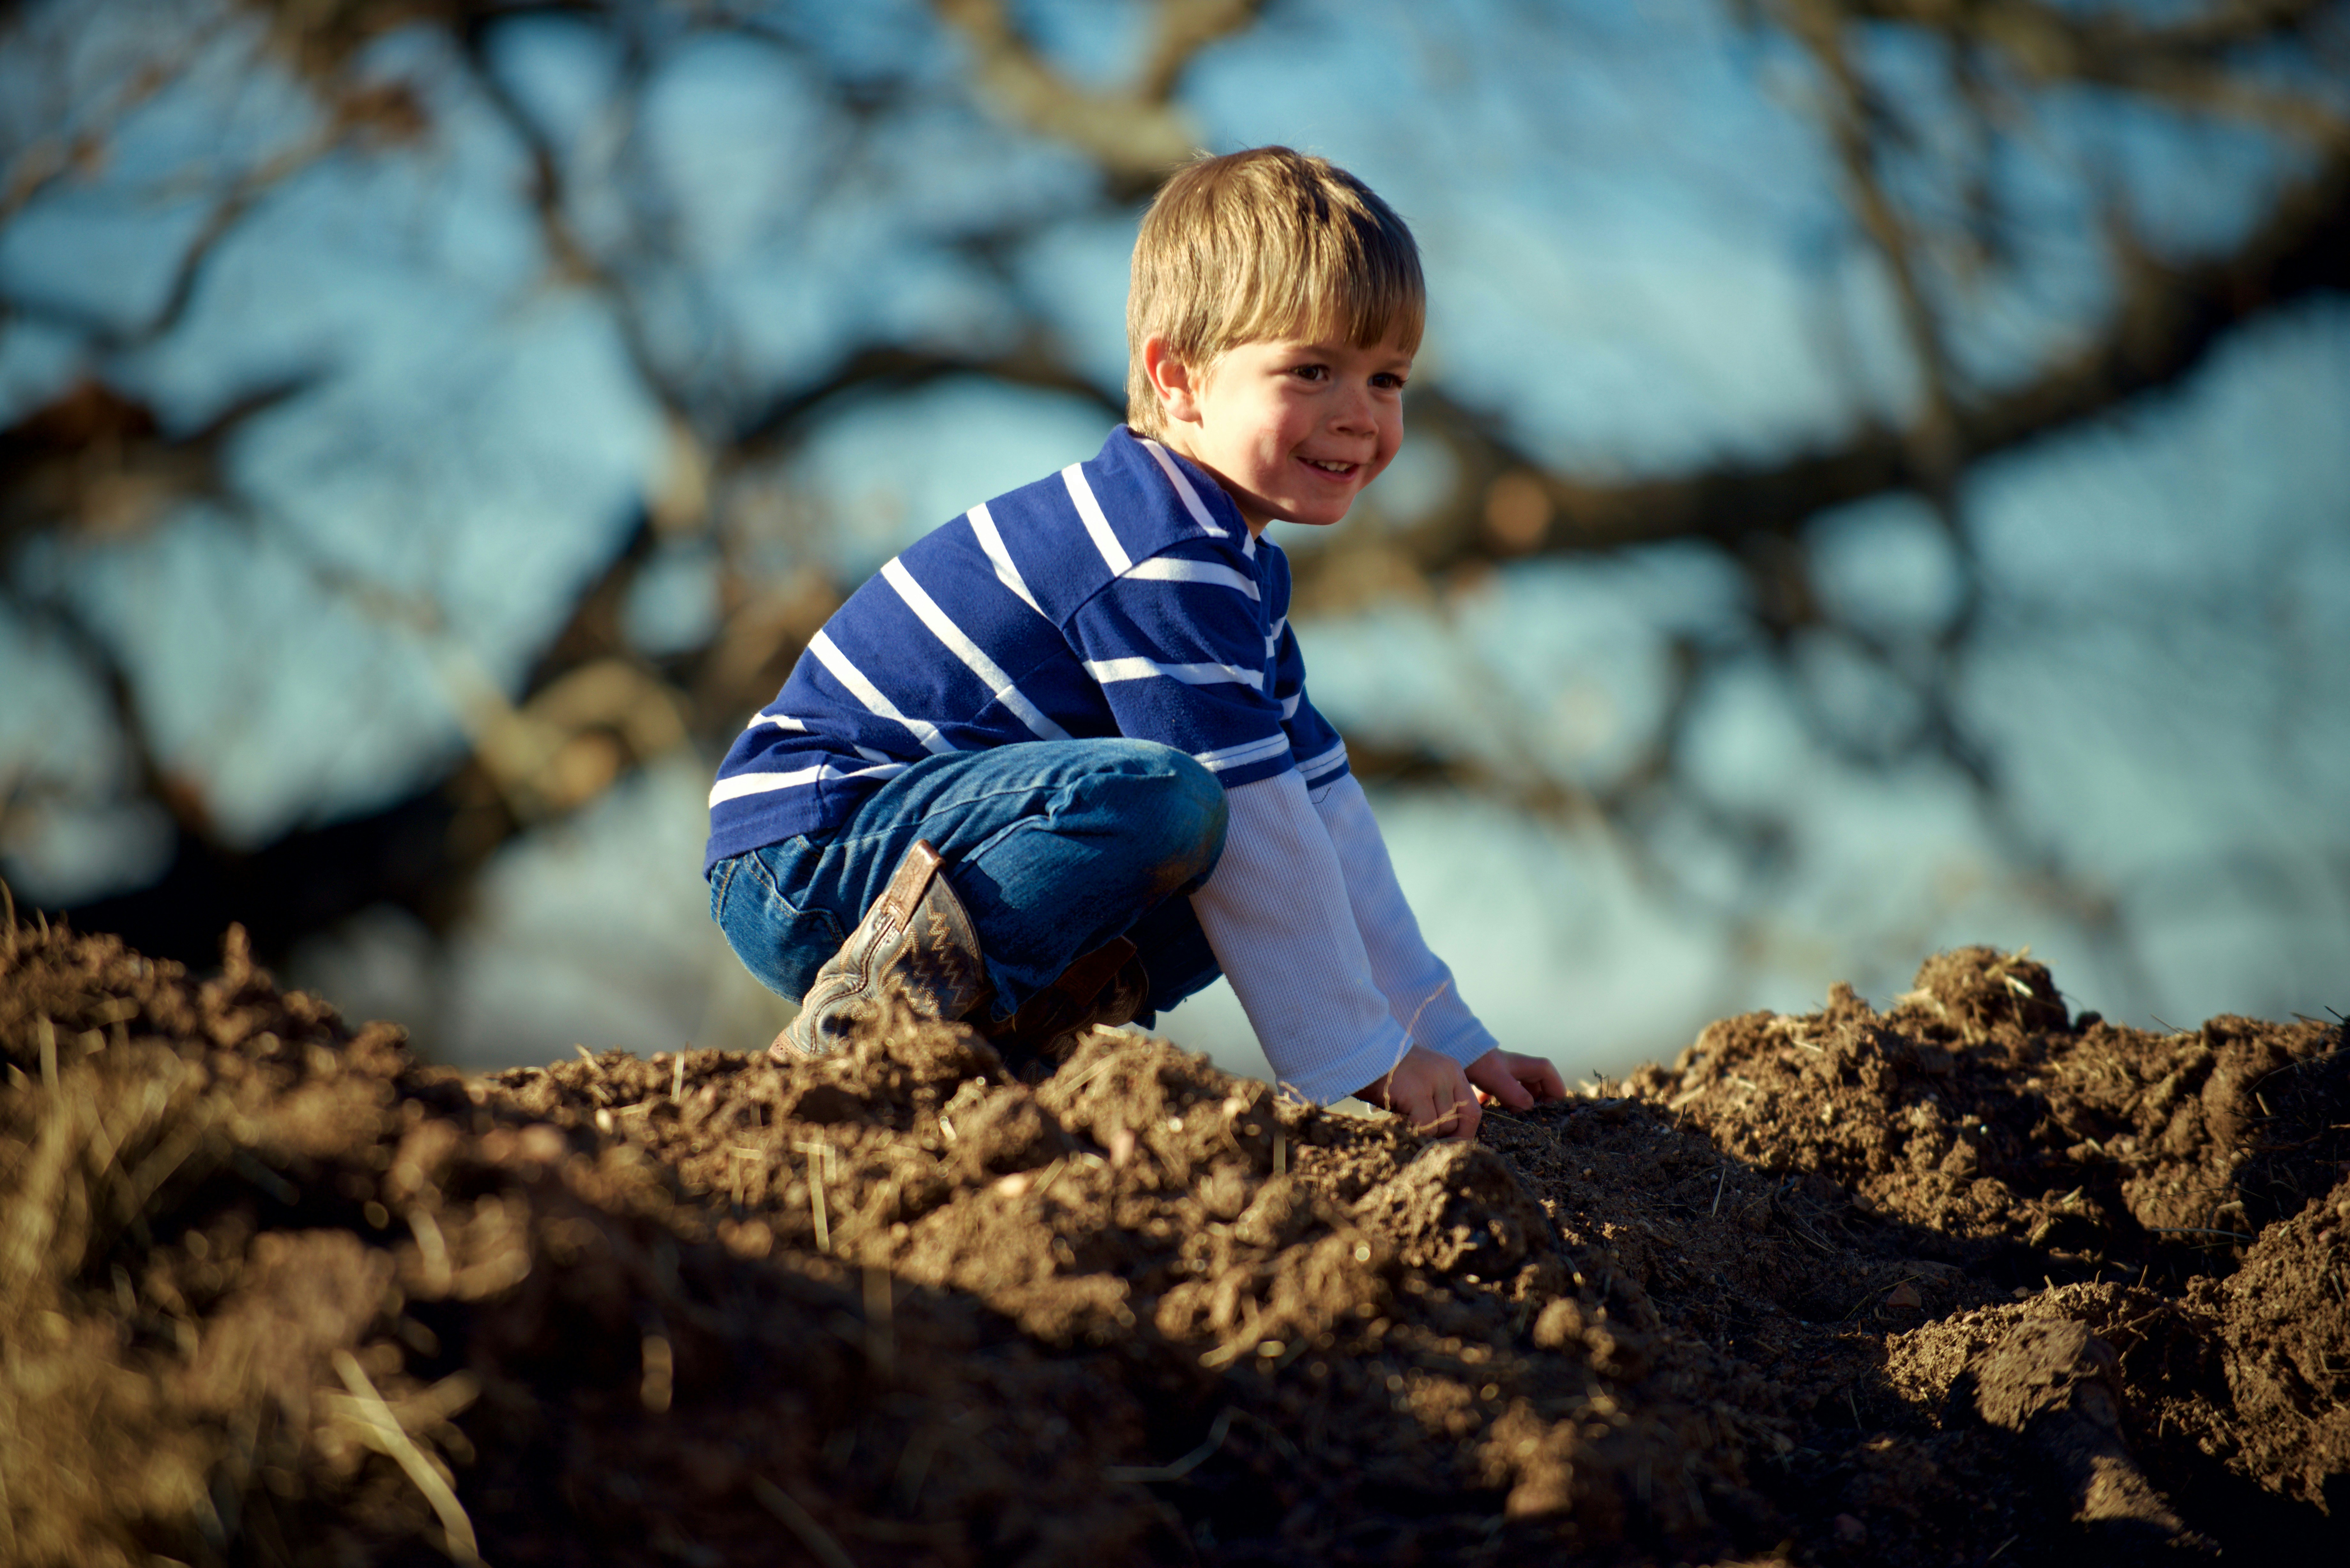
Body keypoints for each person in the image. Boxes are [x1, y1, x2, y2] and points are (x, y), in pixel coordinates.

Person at [704, 146, 1565, 1140]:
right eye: (1312, 371)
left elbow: (1319, 820)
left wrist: (1441, 1034)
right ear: (1180, 377)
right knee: (1176, 805)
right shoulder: (1154, 543)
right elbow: (1252, 809)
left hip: (923, 851)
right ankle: (868, 1031)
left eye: (1388, 378)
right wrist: (1363, 1062)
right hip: (813, 849)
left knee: (1231, 861)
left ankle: (998, 1052)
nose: (1360, 416)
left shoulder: (1234, 569)